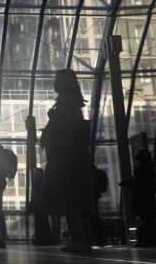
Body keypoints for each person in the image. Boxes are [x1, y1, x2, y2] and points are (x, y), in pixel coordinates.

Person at [39, 69, 95, 253]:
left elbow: (64, 127)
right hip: (70, 157)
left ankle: (79, 239)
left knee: (71, 198)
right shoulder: (70, 102)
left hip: (66, 159)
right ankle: (80, 238)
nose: (53, 83)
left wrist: (53, 119)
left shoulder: (66, 103)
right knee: (72, 198)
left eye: (56, 80)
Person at [120, 149, 156, 247]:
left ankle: (147, 241)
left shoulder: (141, 168)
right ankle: (150, 241)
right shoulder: (150, 168)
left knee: (145, 220)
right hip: (148, 198)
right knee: (148, 220)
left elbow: (136, 181)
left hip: (142, 198)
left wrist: (125, 183)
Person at [29, 167, 54, 246]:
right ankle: (47, 240)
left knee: (39, 223)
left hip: (38, 207)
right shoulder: (44, 182)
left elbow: (34, 196)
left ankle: (40, 239)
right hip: (43, 207)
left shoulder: (36, 183)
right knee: (44, 223)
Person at [91, 165, 108, 246]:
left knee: (93, 217)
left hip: (92, 195)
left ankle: (96, 237)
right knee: (95, 216)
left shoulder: (90, 174)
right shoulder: (100, 173)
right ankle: (100, 238)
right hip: (95, 195)